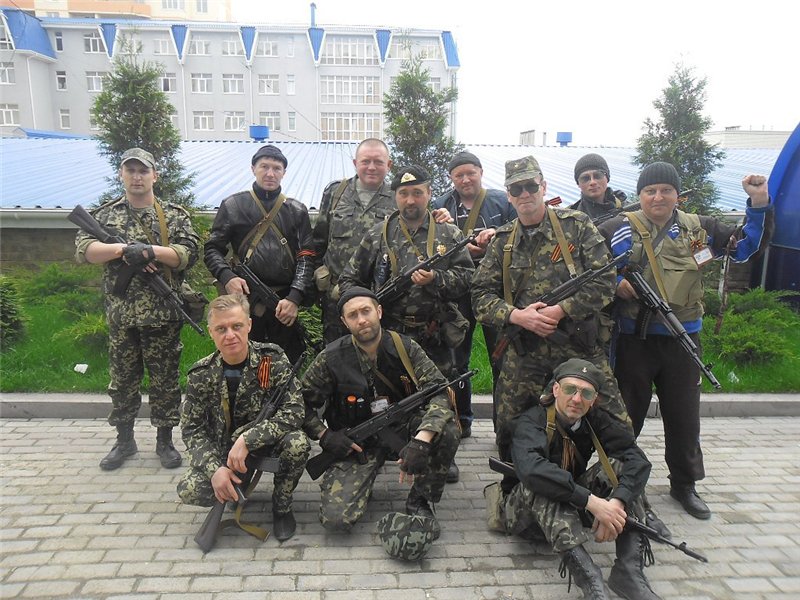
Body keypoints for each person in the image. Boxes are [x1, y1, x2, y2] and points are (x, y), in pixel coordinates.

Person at [598, 162, 774, 520]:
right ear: (639, 195)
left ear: (678, 194)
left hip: (684, 338)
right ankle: (619, 482)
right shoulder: (617, 228)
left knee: (684, 417)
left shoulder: (700, 228)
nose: (658, 197)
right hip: (633, 340)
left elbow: (744, 249)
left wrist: (758, 203)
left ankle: (684, 484)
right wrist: (615, 283)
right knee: (625, 417)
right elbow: (587, 267)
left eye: (666, 190)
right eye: (650, 191)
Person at [471, 155, 631, 480]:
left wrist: (561, 310)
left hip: (578, 348)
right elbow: (479, 296)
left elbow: (605, 281)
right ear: (509, 195)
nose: (525, 194)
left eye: (531, 186)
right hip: (525, 352)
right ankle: (518, 489)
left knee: (617, 423)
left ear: (543, 187)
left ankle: (615, 488)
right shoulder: (502, 242)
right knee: (508, 424)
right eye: (517, 189)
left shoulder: (576, 226)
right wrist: (517, 316)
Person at [339, 165, 474, 483]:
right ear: (395, 196)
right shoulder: (378, 234)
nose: (410, 200)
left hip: (434, 333)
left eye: (417, 193)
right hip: (390, 335)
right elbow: (349, 279)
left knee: (440, 393)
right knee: (392, 395)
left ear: (429, 194)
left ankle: (442, 455)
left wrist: (436, 279)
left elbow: (468, 278)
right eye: (403, 194)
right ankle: (389, 450)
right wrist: (366, 306)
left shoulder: (448, 234)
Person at [75, 148, 199, 471]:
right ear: (121, 175)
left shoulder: (173, 215)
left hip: (163, 315)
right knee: (122, 382)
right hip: (122, 316)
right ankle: (125, 441)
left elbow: (188, 253)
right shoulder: (105, 215)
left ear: (155, 175)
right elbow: (86, 250)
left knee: (165, 381)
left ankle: (165, 441)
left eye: (143, 171)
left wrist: (150, 251)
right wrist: (122, 250)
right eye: (130, 170)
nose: (137, 176)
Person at [300, 286, 460, 534]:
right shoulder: (331, 358)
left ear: (379, 312)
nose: (361, 320)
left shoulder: (405, 348)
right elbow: (299, 403)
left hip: (402, 430)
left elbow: (438, 391)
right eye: (353, 315)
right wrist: (325, 435)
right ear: (344, 322)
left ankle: (420, 500)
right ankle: (360, 480)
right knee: (336, 521)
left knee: (446, 429)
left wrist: (422, 440)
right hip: (356, 443)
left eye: (366, 311)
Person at [496, 358, 660, 600]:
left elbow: (636, 459)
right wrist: (592, 502)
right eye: (570, 389)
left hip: (571, 504)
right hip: (525, 515)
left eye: (586, 393)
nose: (576, 399)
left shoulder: (595, 419)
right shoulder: (531, 420)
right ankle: (591, 581)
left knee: (622, 468)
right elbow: (531, 470)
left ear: (594, 399)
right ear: (556, 390)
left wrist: (617, 503)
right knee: (541, 482)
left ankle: (628, 571)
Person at [177, 294, 309, 541]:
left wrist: (248, 440)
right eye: (221, 329)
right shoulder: (201, 374)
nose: (230, 335)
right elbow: (192, 430)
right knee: (189, 489)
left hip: (266, 444)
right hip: (225, 453)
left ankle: (281, 507)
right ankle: (232, 487)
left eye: (237, 326)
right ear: (211, 332)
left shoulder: (271, 358)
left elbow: (294, 410)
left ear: (249, 325)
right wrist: (215, 470)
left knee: (298, 443)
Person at [431, 150, 517, 437]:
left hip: (496, 291)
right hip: (458, 292)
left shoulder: (503, 201)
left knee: (501, 358)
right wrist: (459, 246)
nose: (466, 179)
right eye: (459, 175)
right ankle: (461, 421)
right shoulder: (440, 206)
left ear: (481, 172)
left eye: (471, 173)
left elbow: (519, 232)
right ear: (451, 178)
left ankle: (504, 426)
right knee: (456, 360)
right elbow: (433, 245)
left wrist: (495, 234)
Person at [204, 144, 314, 364]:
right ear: (253, 168)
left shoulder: (296, 210)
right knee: (244, 361)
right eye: (264, 166)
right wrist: (227, 277)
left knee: (286, 363)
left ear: (284, 172)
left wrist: (294, 298)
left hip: (283, 302)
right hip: (245, 300)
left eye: (276, 168)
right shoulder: (233, 205)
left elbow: (307, 256)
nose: (270, 173)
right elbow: (212, 249)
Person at [312, 138, 396, 344]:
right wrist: (317, 281)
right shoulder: (335, 192)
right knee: (336, 351)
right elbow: (319, 240)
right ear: (355, 163)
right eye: (365, 161)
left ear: (389, 165)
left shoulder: (398, 197)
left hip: (379, 296)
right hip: (336, 295)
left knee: (377, 350)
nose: (371, 167)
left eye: (378, 162)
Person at [569, 153, 629, 222]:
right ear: (578, 184)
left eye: (597, 176)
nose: (592, 182)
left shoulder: (629, 210)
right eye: (585, 178)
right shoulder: (571, 220)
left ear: (607, 178)